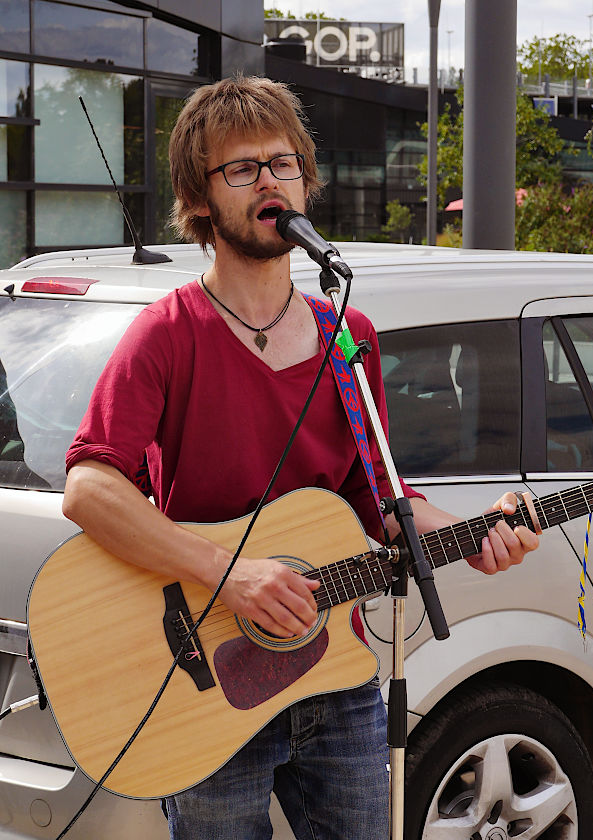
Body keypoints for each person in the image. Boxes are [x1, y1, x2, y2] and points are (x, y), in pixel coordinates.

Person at [63, 75, 539, 840]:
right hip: (207, 680)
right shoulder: (168, 334)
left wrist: (473, 532)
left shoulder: (349, 339)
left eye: (282, 163)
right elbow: (89, 489)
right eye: (242, 168)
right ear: (200, 196)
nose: (269, 182)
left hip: (337, 675)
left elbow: (380, 499)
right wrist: (230, 573)